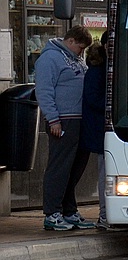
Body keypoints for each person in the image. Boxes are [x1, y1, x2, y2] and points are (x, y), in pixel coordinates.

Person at [35, 25, 94, 231]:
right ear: (70, 42)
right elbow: (44, 90)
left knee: (74, 168)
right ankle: (52, 212)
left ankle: (69, 210)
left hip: (79, 120)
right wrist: (53, 119)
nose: (82, 52)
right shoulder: (50, 59)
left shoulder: (75, 59)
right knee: (59, 168)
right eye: (80, 48)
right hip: (63, 120)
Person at [81, 33, 110, 229]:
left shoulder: (106, 67)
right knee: (105, 171)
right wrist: (111, 107)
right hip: (100, 128)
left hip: (105, 127)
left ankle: (107, 214)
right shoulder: (98, 69)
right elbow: (92, 98)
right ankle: (104, 214)